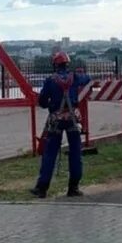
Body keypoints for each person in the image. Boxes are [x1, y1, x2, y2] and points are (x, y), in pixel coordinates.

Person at [30, 52, 90, 199]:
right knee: (75, 153)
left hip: (56, 119)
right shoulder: (74, 77)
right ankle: (73, 188)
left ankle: (42, 188)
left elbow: (42, 102)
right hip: (73, 119)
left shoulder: (50, 80)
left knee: (50, 153)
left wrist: (51, 104)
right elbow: (87, 79)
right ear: (67, 64)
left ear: (55, 65)